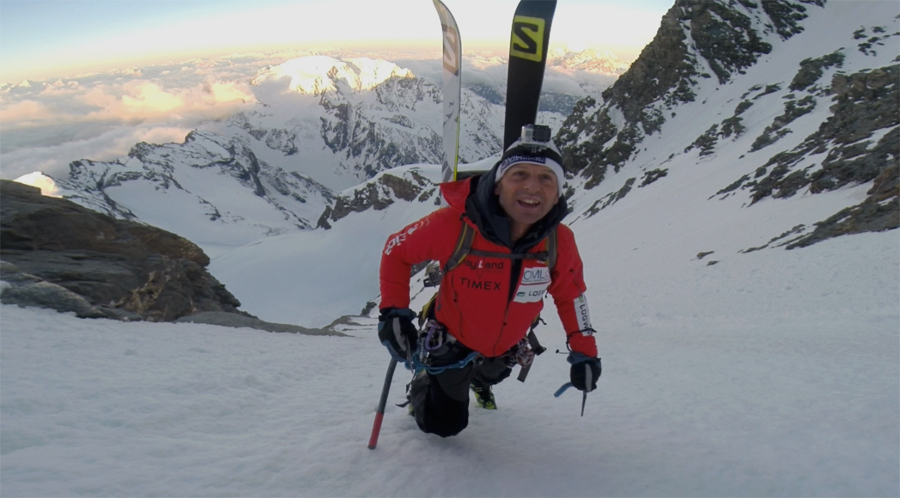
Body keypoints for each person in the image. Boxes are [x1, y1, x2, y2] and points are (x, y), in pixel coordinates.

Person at [378, 127, 600, 437]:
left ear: (558, 192)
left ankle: (479, 381)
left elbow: (571, 296)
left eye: (546, 178)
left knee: (492, 374)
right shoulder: (455, 225)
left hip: (505, 344)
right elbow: (396, 250)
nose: (532, 187)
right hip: (451, 341)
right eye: (519, 174)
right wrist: (394, 312)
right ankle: (425, 383)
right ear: (497, 185)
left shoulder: (559, 242)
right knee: (444, 425)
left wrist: (585, 353)